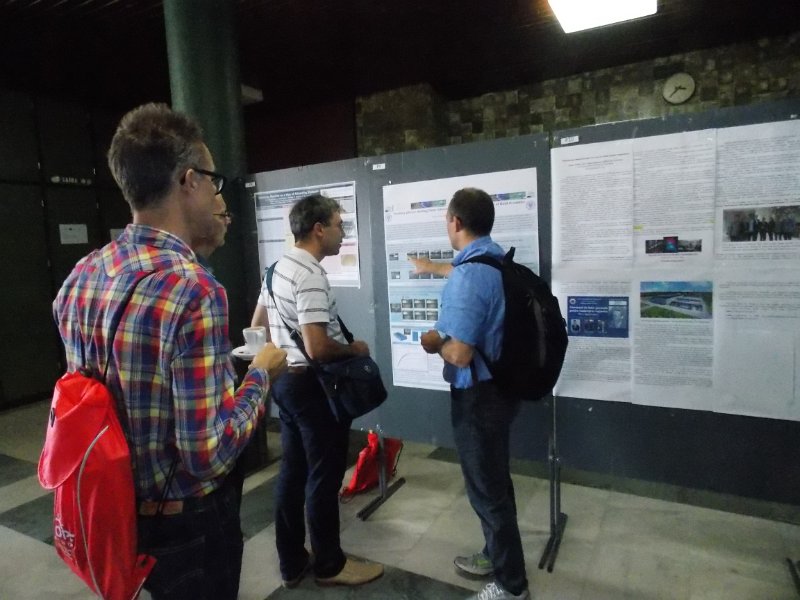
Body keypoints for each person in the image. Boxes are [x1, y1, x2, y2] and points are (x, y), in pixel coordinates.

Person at [53, 103, 288, 600]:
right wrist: (261, 375)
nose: (218, 195)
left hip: (107, 509)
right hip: (183, 526)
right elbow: (207, 455)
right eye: (214, 182)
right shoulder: (195, 289)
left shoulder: (82, 274)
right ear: (190, 180)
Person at [256, 193, 384, 588]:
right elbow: (317, 347)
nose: (343, 233)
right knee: (324, 476)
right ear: (318, 229)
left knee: (293, 472)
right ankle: (330, 565)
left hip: (286, 383)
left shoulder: (276, 268)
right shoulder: (310, 274)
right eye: (339, 225)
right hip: (314, 388)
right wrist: (354, 349)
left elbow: (257, 325)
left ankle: (292, 561)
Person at [418, 187, 530, 600]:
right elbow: (462, 276)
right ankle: (494, 554)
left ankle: (511, 586)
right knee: (495, 481)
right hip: (502, 391)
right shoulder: (497, 261)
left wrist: (434, 342)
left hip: (478, 398)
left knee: (486, 489)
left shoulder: (469, 275)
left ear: (456, 222)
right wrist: (433, 268)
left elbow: (460, 354)